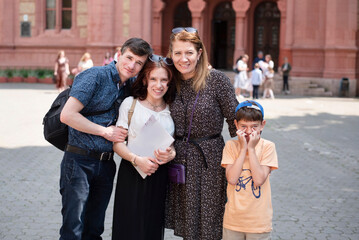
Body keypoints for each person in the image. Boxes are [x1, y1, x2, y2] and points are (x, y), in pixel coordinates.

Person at [59, 38, 152, 240]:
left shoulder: (130, 85)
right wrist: (105, 132)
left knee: (94, 229)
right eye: (129, 58)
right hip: (79, 162)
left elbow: (160, 75)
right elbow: (67, 115)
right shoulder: (94, 76)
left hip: (107, 164)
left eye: (139, 62)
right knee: (73, 229)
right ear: (119, 55)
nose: (132, 65)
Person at [165, 27, 238, 240]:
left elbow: (235, 119)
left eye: (189, 52)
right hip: (179, 159)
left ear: (199, 53)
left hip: (210, 160)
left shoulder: (216, 80)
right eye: (177, 53)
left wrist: (246, 156)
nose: (183, 58)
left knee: (210, 221)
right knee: (188, 222)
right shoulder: (170, 81)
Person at [111, 54, 176, 240]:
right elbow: (117, 145)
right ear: (146, 79)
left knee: (152, 228)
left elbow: (173, 146)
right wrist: (137, 160)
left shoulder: (172, 109)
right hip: (132, 172)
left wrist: (171, 155)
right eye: (154, 79)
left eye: (164, 80)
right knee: (128, 227)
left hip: (158, 174)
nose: (159, 85)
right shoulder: (130, 104)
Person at [221, 100, 278, 240]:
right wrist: (243, 149)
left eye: (254, 126)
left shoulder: (268, 147)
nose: (248, 131)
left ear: (262, 125)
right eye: (243, 126)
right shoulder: (231, 146)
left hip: (258, 222)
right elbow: (232, 179)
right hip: (233, 221)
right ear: (235, 125)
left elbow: (258, 180)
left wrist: (251, 149)